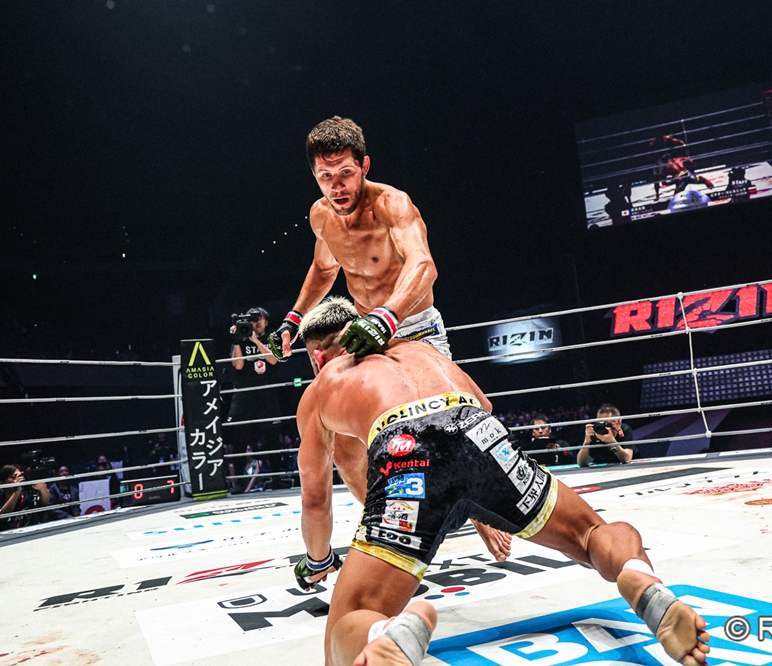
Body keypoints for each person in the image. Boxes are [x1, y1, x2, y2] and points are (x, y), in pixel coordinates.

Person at [293, 297, 709, 666]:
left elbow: (315, 501)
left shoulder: (322, 385)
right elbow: (483, 406)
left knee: (347, 623)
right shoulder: (421, 351)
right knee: (589, 534)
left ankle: (381, 635)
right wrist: (481, 502)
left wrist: (318, 561)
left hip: (407, 450)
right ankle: (643, 583)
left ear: (318, 357)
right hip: (479, 429)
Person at [266, 116, 450, 363]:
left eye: (345, 172)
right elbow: (324, 269)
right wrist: (294, 319)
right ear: (314, 174)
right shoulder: (321, 215)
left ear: (364, 166)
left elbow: (423, 265)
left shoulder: (391, 204)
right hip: (365, 328)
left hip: (416, 328)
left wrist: (386, 318)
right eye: (326, 176)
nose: (337, 187)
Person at [225, 307, 280, 491]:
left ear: (266, 321)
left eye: (259, 318)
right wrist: (236, 340)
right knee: (239, 437)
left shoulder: (272, 337)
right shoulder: (240, 337)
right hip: (245, 393)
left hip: (267, 394)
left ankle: (277, 479)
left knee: (272, 436)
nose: (256, 322)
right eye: (253, 319)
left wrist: (255, 341)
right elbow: (238, 365)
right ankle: (240, 482)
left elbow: (273, 360)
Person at [0, 464, 50, 531]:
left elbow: (44, 502)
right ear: (1, 483)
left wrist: (42, 488)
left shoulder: (29, 495)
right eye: (13, 477)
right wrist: (17, 491)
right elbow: (2, 517)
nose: (19, 480)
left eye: (20, 476)